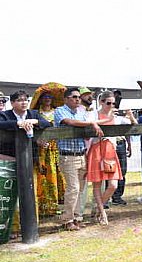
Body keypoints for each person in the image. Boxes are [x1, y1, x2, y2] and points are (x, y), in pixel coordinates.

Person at [0, 90, 51, 238]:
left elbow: (47, 123)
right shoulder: (5, 115)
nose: (23, 103)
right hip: (10, 160)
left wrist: (34, 122)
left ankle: (32, 225)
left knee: (31, 193)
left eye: (25, 100)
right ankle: (14, 228)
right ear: (12, 103)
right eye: (20, 100)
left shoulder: (33, 114)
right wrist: (18, 123)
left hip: (30, 161)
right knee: (12, 195)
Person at [54, 87, 104, 231]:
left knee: (80, 188)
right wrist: (91, 123)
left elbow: (86, 134)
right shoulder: (60, 111)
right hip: (67, 155)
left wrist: (91, 126)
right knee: (73, 188)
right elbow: (70, 122)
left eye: (78, 97)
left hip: (82, 154)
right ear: (66, 99)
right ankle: (68, 219)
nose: (77, 99)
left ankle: (76, 217)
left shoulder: (82, 113)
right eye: (74, 97)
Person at [85, 91, 130, 225]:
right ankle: (102, 212)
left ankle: (99, 208)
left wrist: (131, 115)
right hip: (96, 148)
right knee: (97, 184)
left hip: (110, 149)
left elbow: (130, 123)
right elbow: (88, 121)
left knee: (113, 185)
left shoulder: (115, 116)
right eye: (108, 103)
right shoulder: (93, 113)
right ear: (101, 102)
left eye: (113, 103)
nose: (110, 105)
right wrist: (95, 124)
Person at [30, 85, 67, 216]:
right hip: (40, 149)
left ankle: (53, 205)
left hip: (55, 148)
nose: (47, 99)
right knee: (42, 175)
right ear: (40, 99)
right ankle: (41, 206)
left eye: (49, 97)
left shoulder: (57, 112)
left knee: (56, 174)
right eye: (44, 97)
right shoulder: (35, 113)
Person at [110, 101, 137, 206]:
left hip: (120, 143)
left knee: (122, 171)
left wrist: (130, 115)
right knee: (109, 170)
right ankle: (108, 196)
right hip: (109, 145)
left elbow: (134, 124)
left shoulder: (120, 119)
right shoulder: (101, 117)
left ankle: (117, 196)